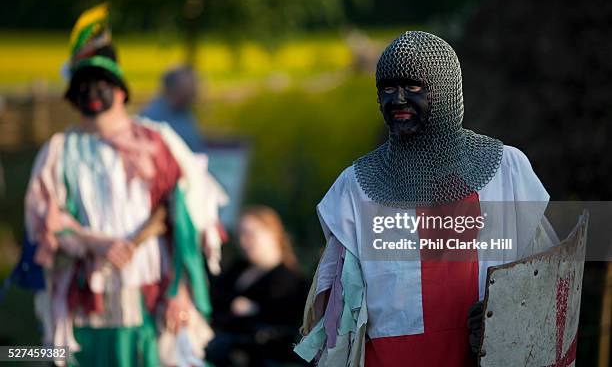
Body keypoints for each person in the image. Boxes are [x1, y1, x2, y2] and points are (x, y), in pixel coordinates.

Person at [294, 31, 560, 366]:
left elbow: (548, 276)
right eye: (387, 88)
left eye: (413, 86)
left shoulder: (506, 171)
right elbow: (338, 312)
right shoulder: (355, 188)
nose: (398, 98)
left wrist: (506, 315)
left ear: (445, 92)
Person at [22, 4, 222, 366]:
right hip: (86, 300)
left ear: (121, 92)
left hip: (151, 298)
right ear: (72, 96)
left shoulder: (158, 141)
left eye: (102, 83)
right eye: (82, 85)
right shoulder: (58, 151)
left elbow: (186, 218)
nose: (93, 92)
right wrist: (94, 242)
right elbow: (45, 220)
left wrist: (181, 289)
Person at [207, 205, 307, 366]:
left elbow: (283, 320)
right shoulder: (239, 267)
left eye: (250, 234)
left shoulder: (290, 279)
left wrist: (253, 310)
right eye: (240, 234)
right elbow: (214, 297)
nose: (243, 241)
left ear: (273, 233)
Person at [140, 66, 206, 152]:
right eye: (188, 87)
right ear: (173, 88)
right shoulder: (151, 118)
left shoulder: (184, 112)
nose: (194, 92)